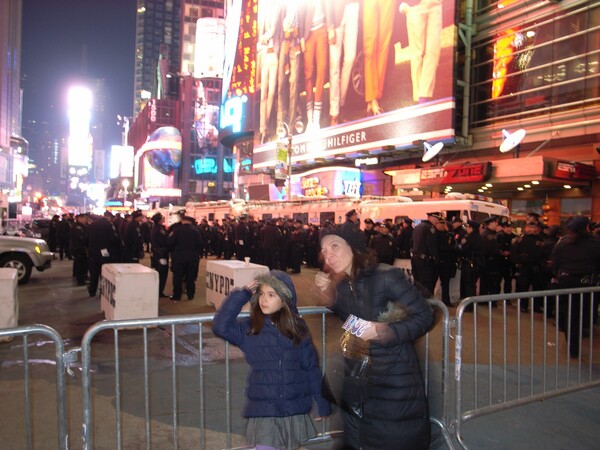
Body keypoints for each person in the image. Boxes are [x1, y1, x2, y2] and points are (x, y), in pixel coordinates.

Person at [315, 223, 432, 450]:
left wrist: (384, 331)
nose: (328, 255)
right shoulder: (342, 284)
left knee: (389, 438)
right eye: (324, 250)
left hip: (393, 378)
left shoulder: (386, 276)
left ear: (354, 247)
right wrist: (330, 297)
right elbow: (351, 321)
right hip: (358, 377)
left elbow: (425, 315)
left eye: (335, 246)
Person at [213, 270, 332, 450]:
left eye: (271, 295)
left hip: (293, 409)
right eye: (261, 294)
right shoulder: (251, 328)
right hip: (264, 411)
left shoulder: (298, 329)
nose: (263, 299)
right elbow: (220, 326)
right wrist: (242, 295)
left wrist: (323, 403)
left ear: (284, 300)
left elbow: (311, 368)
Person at [550, 216, 600, 358]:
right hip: (586, 285)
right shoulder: (595, 243)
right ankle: (575, 343)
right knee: (582, 314)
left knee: (568, 314)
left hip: (566, 283)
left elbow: (554, 263)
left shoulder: (563, 243)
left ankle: (572, 345)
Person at [168, 215, 202, 301]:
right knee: (190, 277)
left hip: (179, 257)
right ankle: (191, 295)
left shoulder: (176, 230)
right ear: (190, 221)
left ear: (182, 220)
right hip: (192, 257)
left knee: (178, 277)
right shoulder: (196, 231)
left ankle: (177, 295)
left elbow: (170, 243)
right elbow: (200, 244)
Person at [87, 211, 120, 297]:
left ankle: (92, 291)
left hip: (93, 251)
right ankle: (103, 289)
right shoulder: (108, 225)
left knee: (94, 273)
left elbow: (87, 238)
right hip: (105, 252)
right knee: (105, 271)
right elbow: (113, 239)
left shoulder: (92, 224)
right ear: (108, 217)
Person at [150, 213, 169, 298]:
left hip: (158, 253)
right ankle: (159, 291)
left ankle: (159, 290)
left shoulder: (156, 228)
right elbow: (164, 241)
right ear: (159, 220)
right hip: (161, 253)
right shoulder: (159, 230)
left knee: (161, 272)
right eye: (162, 218)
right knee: (162, 272)